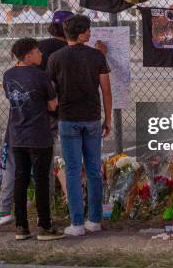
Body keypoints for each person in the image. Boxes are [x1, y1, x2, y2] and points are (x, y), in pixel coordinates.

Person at [0, 10, 73, 232]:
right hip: (44, 121)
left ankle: (11, 217)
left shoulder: (22, 61)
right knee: (44, 170)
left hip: (18, 125)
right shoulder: (65, 52)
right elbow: (54, 99)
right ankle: (46, 218)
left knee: (17, 171)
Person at [47, 14, 112, 236]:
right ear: (83, 33)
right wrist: (109, 118)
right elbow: (105, 89)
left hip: (67, 119)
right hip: (92, 118)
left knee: (73, 171)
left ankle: (76, 223)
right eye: (89, 30)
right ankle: (94, 220)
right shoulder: (96, 57)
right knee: (94, 170)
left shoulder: (55, 58)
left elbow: (51, 92)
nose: (90, 33)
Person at [2, 37, 64, 241]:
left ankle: (21, 227)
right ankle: (44, 226)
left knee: (20, 179)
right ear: (28, 55)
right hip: (38, 134)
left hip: (17, 135)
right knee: (41, 180)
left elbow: (13, 99)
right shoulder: (41, 76)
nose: (41, 54)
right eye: (37, 52)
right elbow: (52, 105)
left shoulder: (8, 75)